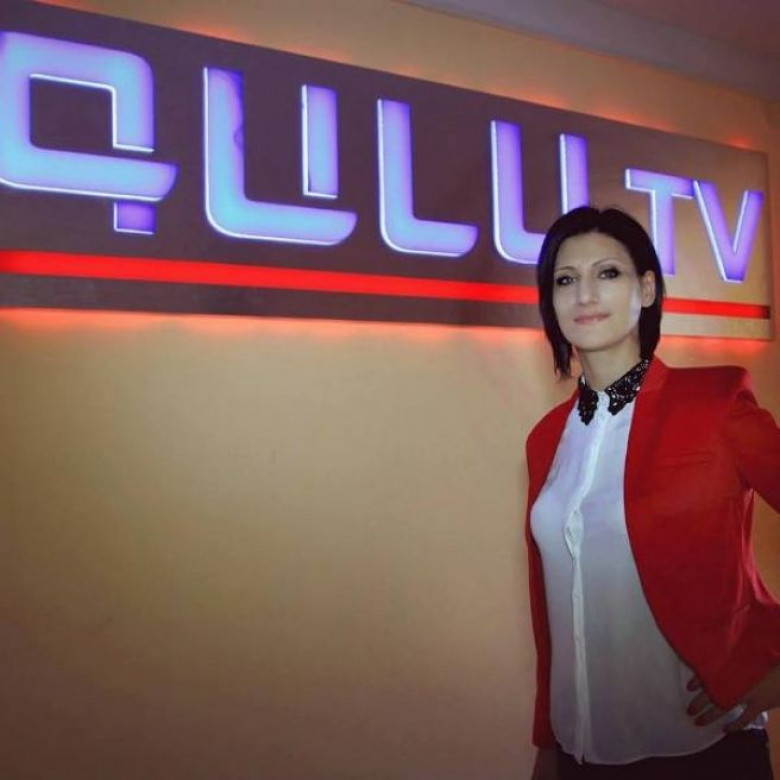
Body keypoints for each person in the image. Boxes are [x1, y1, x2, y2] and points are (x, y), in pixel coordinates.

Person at [524, 206, 780, 780]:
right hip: (579, 754)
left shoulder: (714, 404)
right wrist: (548, 739)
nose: (585, 294)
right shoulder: (545, 438)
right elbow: (551, 605)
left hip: (700, 752)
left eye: (608, 273)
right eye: (565, 279)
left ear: (645, 289)